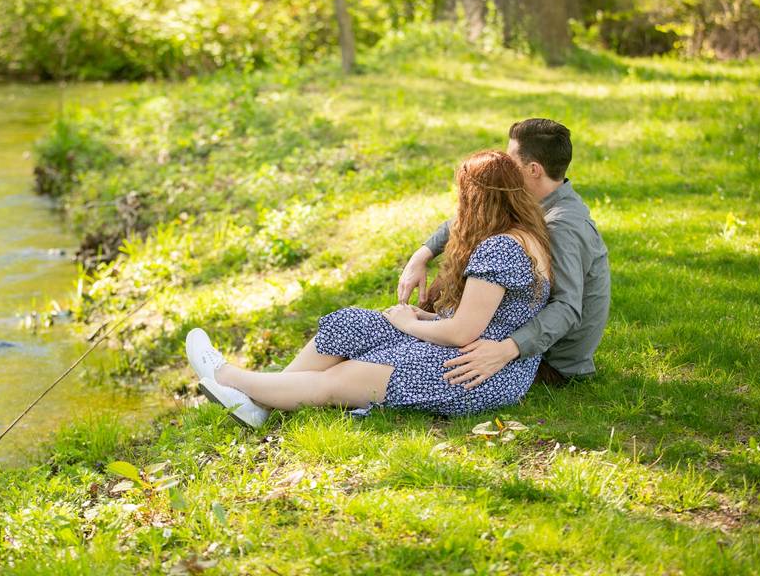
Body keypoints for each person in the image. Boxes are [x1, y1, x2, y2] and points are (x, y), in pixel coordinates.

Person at [184, 150, 553, 427]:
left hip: (475, 372)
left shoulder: (502, 247)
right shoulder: (524, 233)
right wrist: (422, 316)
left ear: (478, 200)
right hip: (472, 352)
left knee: (342, 379)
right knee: (352, 324)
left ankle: (226, 376)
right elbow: (491, 314)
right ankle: (261, 402)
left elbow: (463, 332)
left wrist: (410, 324)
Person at [398, 118, 610, 389]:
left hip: (549, 361)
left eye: (511, 162)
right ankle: (419, 331)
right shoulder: (535, 201)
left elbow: (567, 308)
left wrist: (506, 350)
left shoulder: (562, 225)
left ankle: (411, 346)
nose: (505, 166)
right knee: (463, 259)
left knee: (482, 263)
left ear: (533, 169)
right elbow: (473, 218)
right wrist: (422, 255)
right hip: (521, 339)